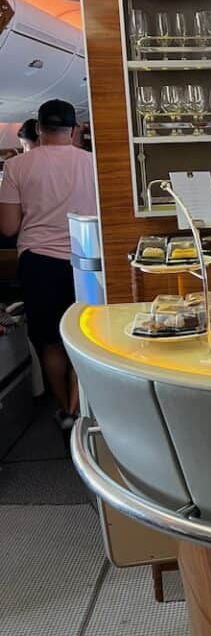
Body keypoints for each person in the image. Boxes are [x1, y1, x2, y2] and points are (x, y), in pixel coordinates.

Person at [0, 99, 97, 427]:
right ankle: (79, 408)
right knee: (84, 337)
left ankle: (65, 412)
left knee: (50, 341)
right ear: (73, 131)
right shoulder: (93, 163)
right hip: (86, 260)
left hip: (39, 264)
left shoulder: (16, 168)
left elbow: (8, 228)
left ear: (39, 129)